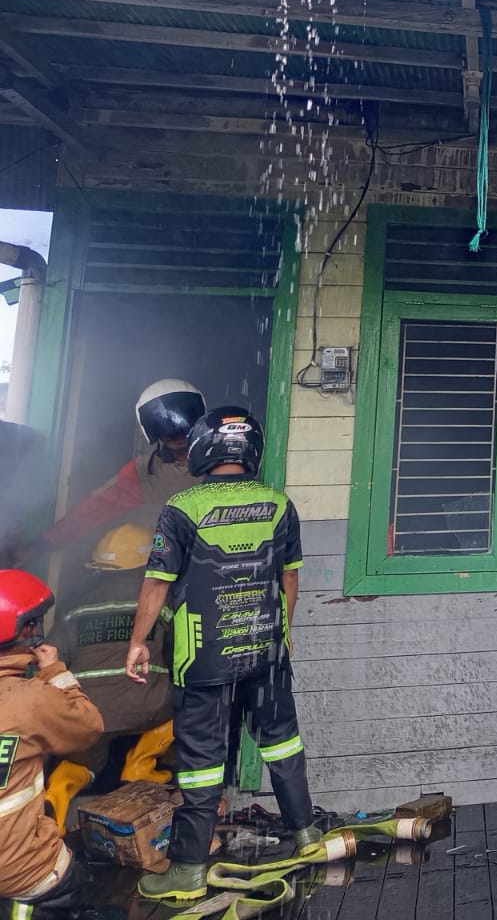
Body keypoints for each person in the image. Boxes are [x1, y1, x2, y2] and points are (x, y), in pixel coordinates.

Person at [123, 406, 319, 902]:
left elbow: (158, 581)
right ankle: (306, 835)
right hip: (266, 651)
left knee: (202, 763)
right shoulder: (278, 503)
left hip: (203, 658)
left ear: (203, 448)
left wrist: (138, 641)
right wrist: (284, 630)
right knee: (282, 744)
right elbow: (289, 577)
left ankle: (188, 869)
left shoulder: (181, 507)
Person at [43, 524, 175, 829]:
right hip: (148, 707)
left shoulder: (76, 607)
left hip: (87, 712)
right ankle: (140, 765)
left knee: (83, 757)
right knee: (197, 704)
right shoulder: (162, 600)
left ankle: (60, 790)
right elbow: (183, 658)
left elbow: (52, 654)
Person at [0, 568, 106, 919]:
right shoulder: (29, 699)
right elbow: (88, 727)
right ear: (22, 630)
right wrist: (55, 671)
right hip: (22, 870)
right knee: (86, 884)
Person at [27, 380, 206, 565]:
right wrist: (41, 545)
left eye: (183, 421)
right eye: (163, 424)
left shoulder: (227, 460)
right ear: (151, 428)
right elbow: (94, 509)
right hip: (170, 568)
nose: (175, 431)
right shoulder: (145, 471)